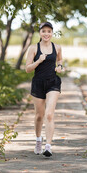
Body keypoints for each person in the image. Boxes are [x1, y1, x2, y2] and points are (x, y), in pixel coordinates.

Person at [25, 22, 63, 157]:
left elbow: (60, 61)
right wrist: (38, 61)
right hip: (38, 83)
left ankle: (48, 146)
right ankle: (38, 141)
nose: (46, 34)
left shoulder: (57, 47)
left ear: (52, 33)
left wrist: (60, 67)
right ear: (40, 33)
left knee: (49, 114)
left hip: (53, 83)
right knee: (39, 116)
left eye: (49, 31)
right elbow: (28, 69)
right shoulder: (33, 48)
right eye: (44, 31)